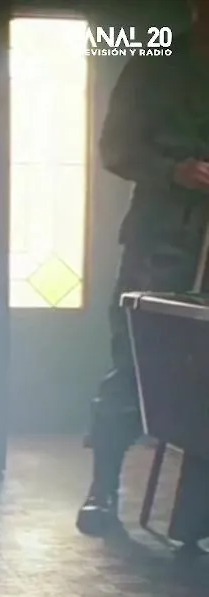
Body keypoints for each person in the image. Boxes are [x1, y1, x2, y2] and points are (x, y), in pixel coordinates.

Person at [77, 0, 209, 556]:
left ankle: (194, 519)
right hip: (161, 241)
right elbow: (115, 148)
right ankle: (102, 491)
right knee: (134, 363)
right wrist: (174, 171)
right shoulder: (154, 58)